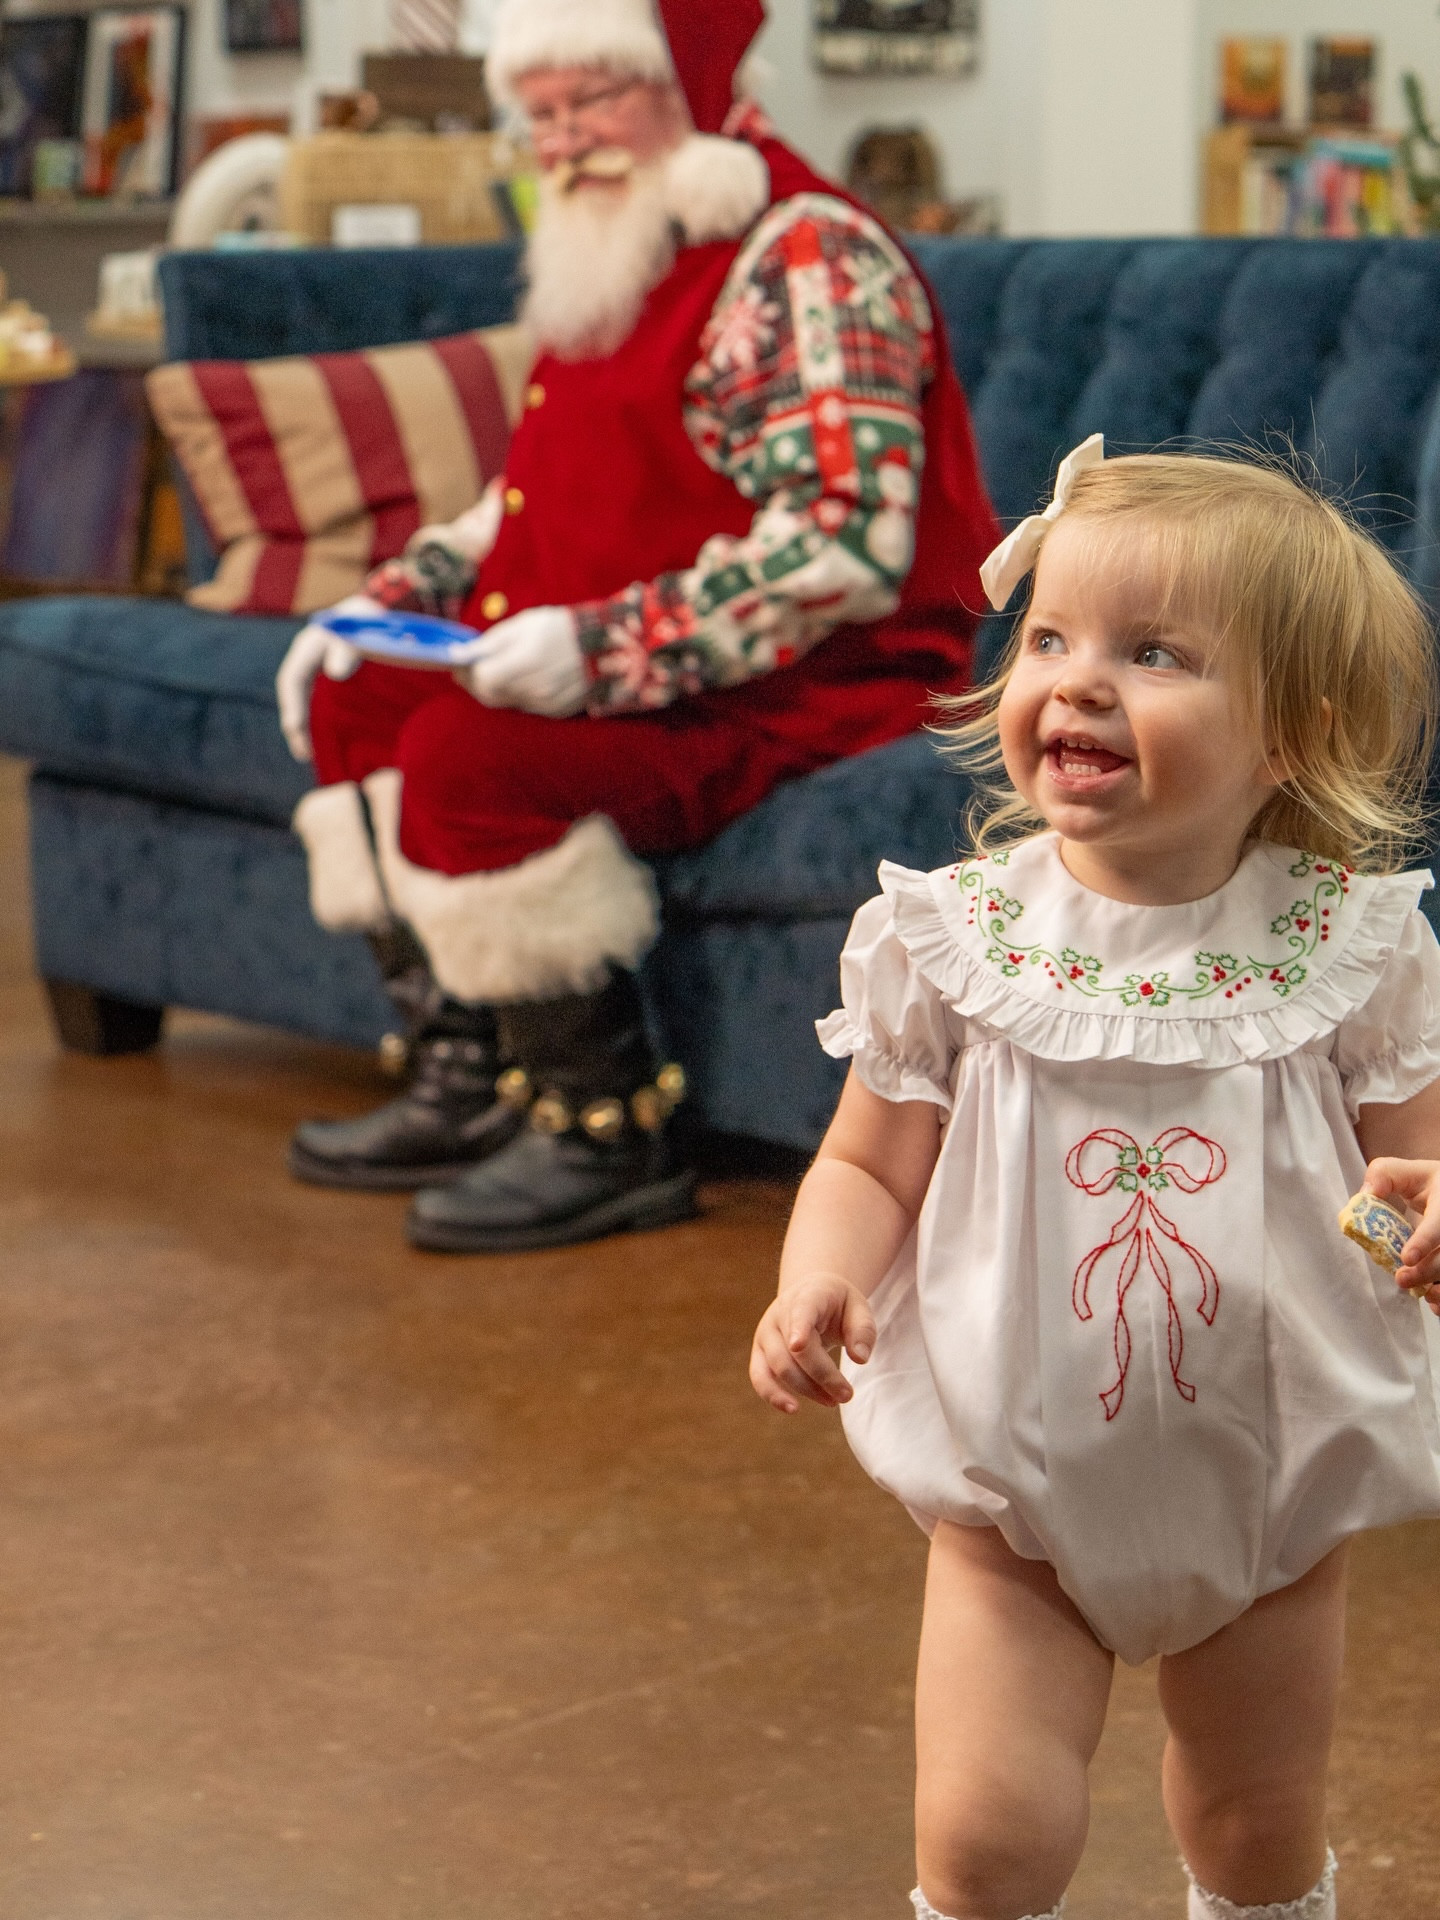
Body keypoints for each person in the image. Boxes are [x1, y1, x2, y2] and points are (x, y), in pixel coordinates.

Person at [750, 439, 1440, 1920]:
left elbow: (1415, 1160)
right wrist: (819, 1270)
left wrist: (1430, 1215)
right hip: (1018, 1498)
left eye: (1154, 653)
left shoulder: (1349, 950)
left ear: (1286, 739)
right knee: (987, 1839)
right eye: (1048, 637)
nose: (1075, 680)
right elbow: (869, 1159)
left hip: (1268, 1488)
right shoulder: (956, 943)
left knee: (1255, 1825)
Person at [274, 0, 1000, 1255]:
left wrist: (603, 649)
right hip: (652, 667)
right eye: (540, 112)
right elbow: (537, 500)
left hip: (809, 685)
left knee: (470, 757)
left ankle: (606, 1128)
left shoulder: (809, 253)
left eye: (592, 101)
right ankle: (473, 1072)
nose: (562, 141)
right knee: (362, 695)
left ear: (691, 80)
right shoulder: (627, 242)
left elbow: (844, 545)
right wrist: (386, 603)